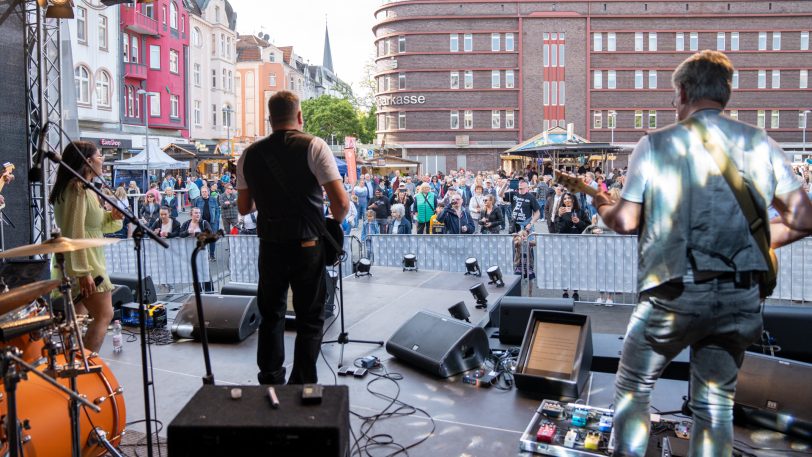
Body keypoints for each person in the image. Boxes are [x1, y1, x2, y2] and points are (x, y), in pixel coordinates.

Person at [594, 50, 812, 457]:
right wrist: (754, 245)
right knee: (715, 406)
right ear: (725, 93)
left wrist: (601, 206)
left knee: (633, 388)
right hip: (740, 298)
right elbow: (803, 218)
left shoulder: (656, 144)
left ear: (682, 92)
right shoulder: (760, 143)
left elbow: (625, 221)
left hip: (675, 293)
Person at [237, 90, 348, 386]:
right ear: (299, 116)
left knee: (270, 313)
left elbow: (244, 207)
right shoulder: (314, 145)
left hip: (271, 246)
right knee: (309, 319)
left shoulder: (249, 153)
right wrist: (329, 223)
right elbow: (342, 204)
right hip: (307, 245)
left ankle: (270, 378)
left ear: (269, 119)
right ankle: (301, 383)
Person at [49, 141, 124, 352]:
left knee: (77, 321)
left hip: (76, 260)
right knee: (104, 314)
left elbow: (92, 225)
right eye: (100, 156)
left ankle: (75, 372)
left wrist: (113, 217)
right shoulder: (77, 188)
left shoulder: (82, 188)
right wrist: (83, 272)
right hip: (85, 261)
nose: (103, 160)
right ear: (88, 161)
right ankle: (85, 372)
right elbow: (75, 232)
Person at [194, 187, 221, 260]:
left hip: (212, 222)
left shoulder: (213, 199)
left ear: (208, 192)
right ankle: (204, 255)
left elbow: (217, 210)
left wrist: (216, 219)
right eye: (202, 192)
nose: (204, 193)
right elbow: (194, 210)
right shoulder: (198, 200)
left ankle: (212, 255)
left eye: (205, 191)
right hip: (202, 222)